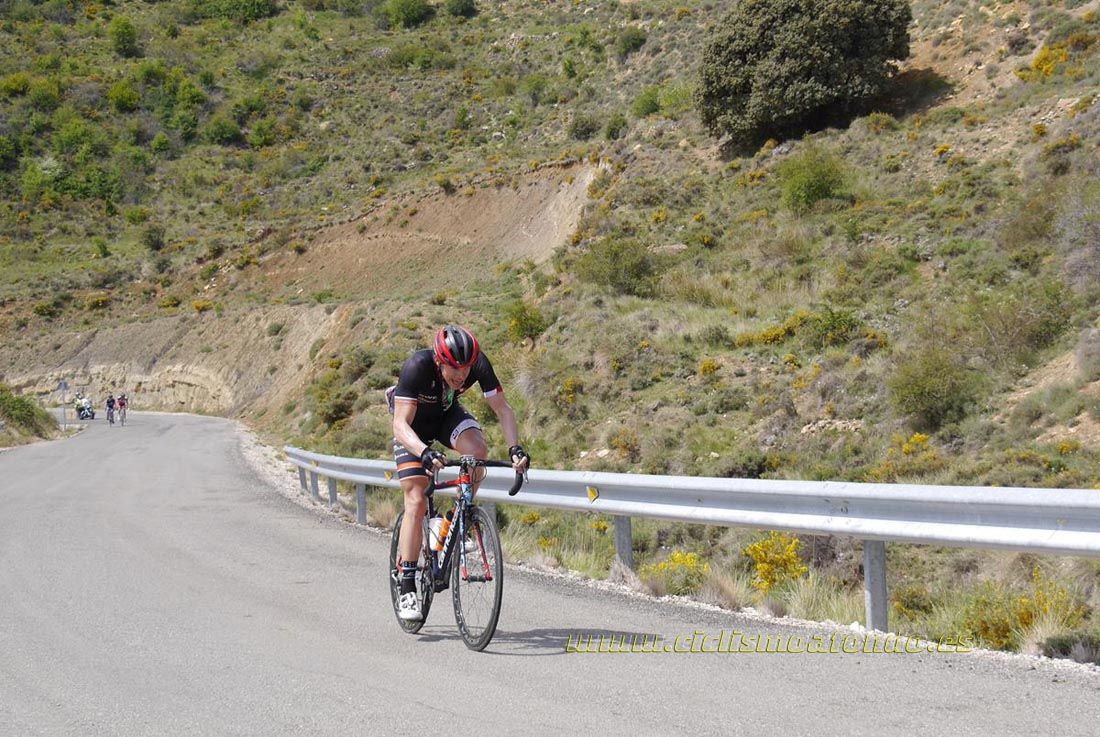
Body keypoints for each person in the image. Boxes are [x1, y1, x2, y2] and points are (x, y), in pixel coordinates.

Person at [387, 325, 530, 621]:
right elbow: (400, 425)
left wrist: (515, 449)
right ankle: (407, 583)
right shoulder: (418, 366)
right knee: (416, 497)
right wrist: (423, 452)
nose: (461, 375)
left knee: (477, 452)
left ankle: (455, 521)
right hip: (412, 428)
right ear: (439, 361)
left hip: (445, 416)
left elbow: (503, 409)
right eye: (454, 368)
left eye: (465, 368)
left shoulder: (478, 364)